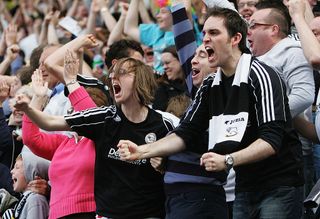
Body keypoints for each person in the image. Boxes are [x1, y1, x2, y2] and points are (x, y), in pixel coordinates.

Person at [118, 7, 304, 219]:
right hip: (245, 185)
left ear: (235, 38)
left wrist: (228, 160)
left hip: (279, 185)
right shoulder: (209, 85)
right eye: (204, 33)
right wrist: (142, 151)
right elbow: (184, 133)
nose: (205, 39)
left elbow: (271, 141)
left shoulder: (261, 75)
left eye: (214, 33)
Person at [14, 57, 179, 219]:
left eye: (122, 72)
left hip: (149, 214)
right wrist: (29, 107)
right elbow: (49, 123)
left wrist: (164, 164)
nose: (113, 77)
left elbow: (183, 160)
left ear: (140, 79)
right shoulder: (104, 119)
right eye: (112, 75)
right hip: (107, 215)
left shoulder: (165, 124)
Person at [22, 49, 107, 218]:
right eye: (71, 109)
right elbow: (31, 139)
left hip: (91, 212)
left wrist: (71, 82)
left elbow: (91, 117)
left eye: (76, 109)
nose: (72, 113)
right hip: (57, 214)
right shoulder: (64, 142)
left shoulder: (102, 138)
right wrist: (38, 98)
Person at [2, 151, 49, 219]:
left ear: (31, 173)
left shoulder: (35, 200)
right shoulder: (26, 199)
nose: (11, 171)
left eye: (17, 167)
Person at [153, 45, 187, 111]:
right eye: (163, 64)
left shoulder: (195, 82)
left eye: (167, 63)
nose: (164, 67)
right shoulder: (161, 87)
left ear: (181, 60)